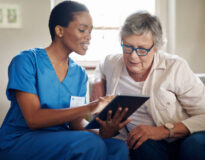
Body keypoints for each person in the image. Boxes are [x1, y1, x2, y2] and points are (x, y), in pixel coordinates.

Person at [0, 1, 130, 160]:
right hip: (21, 139)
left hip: (62, 138)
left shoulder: (79, 73)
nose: (88, 37)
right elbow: (33, 118)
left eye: (90, 31)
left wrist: (103, 132)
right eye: (82, 30)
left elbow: (76, 124)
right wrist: (90, 107)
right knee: (89, 143)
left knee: (117, 147)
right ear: (60, 30)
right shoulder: (26, 61)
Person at [90, 11, 205, 160]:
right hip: (149, 144)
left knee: (195, 146)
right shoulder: (112, 63)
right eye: (128, 47)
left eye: (142, 49)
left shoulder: (175, 67)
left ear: (156, 47)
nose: (133, 56)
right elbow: (101, 67)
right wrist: (97, 81)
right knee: (139, 144)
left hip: (183, 138)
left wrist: (163, 131)